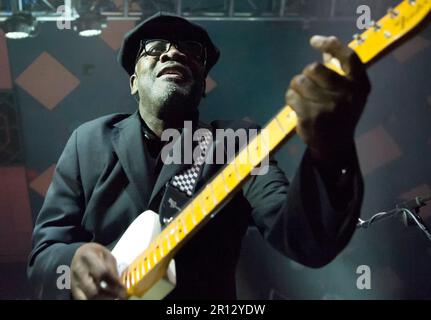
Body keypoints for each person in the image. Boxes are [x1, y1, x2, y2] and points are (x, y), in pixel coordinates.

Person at [27, 13, 370, 300]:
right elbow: (45, 254)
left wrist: (331, 146)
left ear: (203, 84)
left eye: (189, 50)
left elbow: (304, 240)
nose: (172, 53)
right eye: (155, 49)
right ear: (133, 82)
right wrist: (72, 263)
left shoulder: (235, 143)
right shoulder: (88, 141)